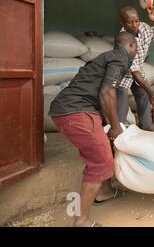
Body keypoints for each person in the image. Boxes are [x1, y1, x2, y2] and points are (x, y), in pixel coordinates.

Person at [49, 32, 137, 227]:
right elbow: (107, 92)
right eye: (136, 47)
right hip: (76, 112)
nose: (136, 51)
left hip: (73, 109)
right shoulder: (120, 58)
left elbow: (101, 94)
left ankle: (104, 192)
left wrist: (110, 126)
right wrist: (115, 127)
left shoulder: (104, 57)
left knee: (102, 147)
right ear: (131, 45)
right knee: (101, 159)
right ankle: (80, 221)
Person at [116, 6, 154, 131]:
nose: (134, 25)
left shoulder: (143, 27)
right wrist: (150, 91)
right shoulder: (123, 39)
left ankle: (146, 127)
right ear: (122, 22)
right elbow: (133, 69)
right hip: (123, 73)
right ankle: (118, 130)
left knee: (143, 96)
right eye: (130, 22)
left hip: (137, 70)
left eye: (136, 20)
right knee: (121, 98)